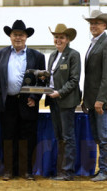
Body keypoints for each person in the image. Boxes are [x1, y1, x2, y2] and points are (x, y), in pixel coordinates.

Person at [0, 20, 46, 180]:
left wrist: (35, 97)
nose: (18, 38)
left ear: (26, 36)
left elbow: (41, 80)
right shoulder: (0, 54)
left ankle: (27, 170)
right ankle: (9, 170)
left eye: (21, 35)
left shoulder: (37, 56)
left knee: (27, 138)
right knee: (8, 137)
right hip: (6, 102)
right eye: (15, 34)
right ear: (10, 36)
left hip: (27, 103)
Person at [81, 10, 107, 181]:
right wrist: (87, 99)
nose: (93, 26)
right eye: (91, 23)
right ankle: (103, 168)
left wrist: (100, 99)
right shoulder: (95, 43)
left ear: (104, 25)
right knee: (98, 136)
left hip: (101, 101)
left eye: (97, 23)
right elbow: (91, 76)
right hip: (93, 100)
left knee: (105, 137)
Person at [45, 24, 81, 181]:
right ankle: (61, 169)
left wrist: (60, 92)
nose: (58, 40)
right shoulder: (53, 55)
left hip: (65, 101)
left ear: (67, 39)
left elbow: (74, 80)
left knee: (67, 136)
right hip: (53, 101)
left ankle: (67, 171)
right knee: (59, 135)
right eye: (56, 37)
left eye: (61, 37)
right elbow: (51, 77)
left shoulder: (73, 55)